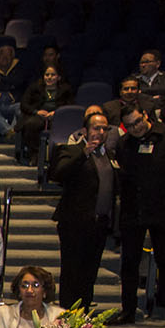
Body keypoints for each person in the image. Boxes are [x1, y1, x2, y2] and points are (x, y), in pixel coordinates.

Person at [113, 105, 165, 323]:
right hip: (134, 211)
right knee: (129, 263)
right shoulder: (124, 143)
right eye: (130, 126)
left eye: (138, 122)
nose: (136, 128)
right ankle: (128, 310)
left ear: (145, 115)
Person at [49, 113, 117, 313]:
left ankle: (84, 313)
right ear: (85, 131)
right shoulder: (70, 150)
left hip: (99, 224)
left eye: (105, 128)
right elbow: (58, 174)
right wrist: (83, 154)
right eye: (96, 128)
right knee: (72, 272)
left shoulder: (110, 155)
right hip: (74, 223)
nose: (101, 132)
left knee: (90, 273)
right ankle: (68, 316)